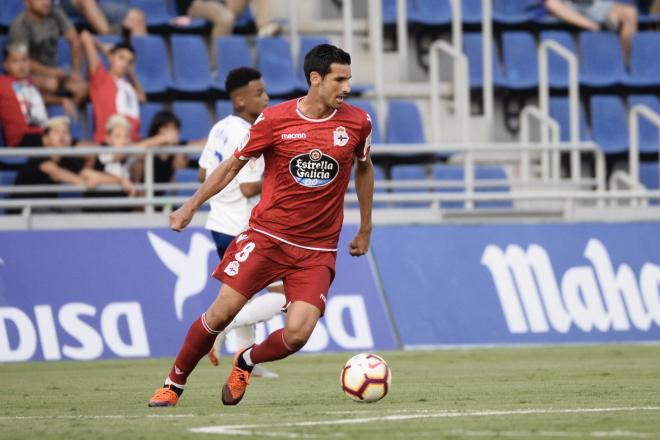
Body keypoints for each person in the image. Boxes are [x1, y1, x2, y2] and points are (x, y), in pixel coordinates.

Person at [148, 43, 374, 407]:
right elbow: (231, 167)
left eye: (348, 79)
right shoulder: (275, 120)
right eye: (339, 79)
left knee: (298, 334)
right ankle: (173, 385)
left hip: (317, 249)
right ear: (315, 79)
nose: (346, 87)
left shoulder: (358, 122)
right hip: (267, 238)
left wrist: (366, 226)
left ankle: (246, 360)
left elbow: (364, 169)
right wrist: (191, 205)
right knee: (221, 313)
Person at [198, 66, 283, 378]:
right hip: (241, 228)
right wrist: (283, 175)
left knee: (244, 293)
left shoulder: (219, 128)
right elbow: (249, 186)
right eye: (259, 93)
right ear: (239, 100)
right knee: (286, 294)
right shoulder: (247, 133)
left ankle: (246, 362)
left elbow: (203, 174)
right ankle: (219, 326)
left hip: (219, 223)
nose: (266, 97)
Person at [10, 116, 133, 211]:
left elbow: (90, 174)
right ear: (45, 139)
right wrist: (84, 182)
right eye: (57, 132)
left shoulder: (66, 159)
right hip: (26, 210)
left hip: (48, 208)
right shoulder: (40, 156)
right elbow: (58, 173)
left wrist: (120, 181)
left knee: (79, 215)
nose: (62, 136)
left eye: (66, 132)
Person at [9, 0, 88, 104]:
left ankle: (68, 111)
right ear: (27, 2)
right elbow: (22, 61)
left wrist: (76, 72)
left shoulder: (55, 13)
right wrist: (52, 72)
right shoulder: (19, 25)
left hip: (55, 74)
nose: (46, 2)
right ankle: (50, 106)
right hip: (29, 74)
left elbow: (74, 41)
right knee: (51, 84)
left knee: (83, 88)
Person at [80, 30, 144, 145]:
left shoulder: (128, 87)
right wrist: (103, 48)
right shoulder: (101, 78)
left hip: (132, 142)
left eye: (129, 62)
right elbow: (85, 36)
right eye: (121, 58)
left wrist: (132, 74)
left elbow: (142, 98)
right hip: (109, 142)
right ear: (111, 57)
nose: (125, 64)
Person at [544, 0, 638, 62]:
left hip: (593, 4)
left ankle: (626, 64)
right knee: (552, 3)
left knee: (630, 12)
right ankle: (594, 26)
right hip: (567, 5)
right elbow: (551, 4)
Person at [0, 42, 49, 147]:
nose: (21, 65)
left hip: (44, 135)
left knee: (87, 149)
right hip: (22, 139)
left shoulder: (31, 83)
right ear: (6, 65)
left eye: (24, 60)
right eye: (15, 61)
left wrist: (62, 100)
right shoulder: (2, 82)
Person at [56, 0, 147, 36]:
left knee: (136, 17)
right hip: (62, 4)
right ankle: (111, 38)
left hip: (96, 3)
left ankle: (143, 70)